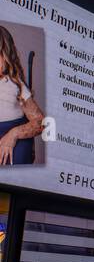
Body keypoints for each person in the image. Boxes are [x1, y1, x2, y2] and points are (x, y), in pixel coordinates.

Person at [0, 25, 46, 167]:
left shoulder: (15, 84)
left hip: (11, 150)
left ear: (5, 55)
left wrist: (14, 134)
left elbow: (41, 123)